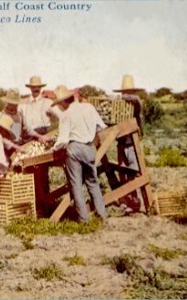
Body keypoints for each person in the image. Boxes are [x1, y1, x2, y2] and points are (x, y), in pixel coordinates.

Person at [51, 85, 108, 223]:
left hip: (75, 149)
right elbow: (101, 126)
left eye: (59, 104)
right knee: (93, 182)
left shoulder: (66, 114)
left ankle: (84, 219)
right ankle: (102, 214)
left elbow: (63, 141)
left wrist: (54, 148)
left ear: (64, 102)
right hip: (89, 148)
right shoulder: (88, 107)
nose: (60, 107)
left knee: (76, 185)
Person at [113, 74, 145, 212]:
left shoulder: (136, 103)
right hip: (121, 145)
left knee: (133, 174)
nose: (126, 95)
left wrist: (123, 97)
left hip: (132, 145)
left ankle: (136, 203)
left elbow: (136, 100)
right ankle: (128, 201)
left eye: (128, 92)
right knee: (123, 174)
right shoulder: (119, 107)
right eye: (124, 92)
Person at [18, 76, 55, 143]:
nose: (36, 89)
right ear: (30, 88)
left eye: (38, 87)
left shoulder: (48, 102)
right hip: (29, 137)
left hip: (45, 134)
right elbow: (18, 122)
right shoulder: (22, 104)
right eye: (33, 87)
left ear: (41, 87)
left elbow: (61, 115)